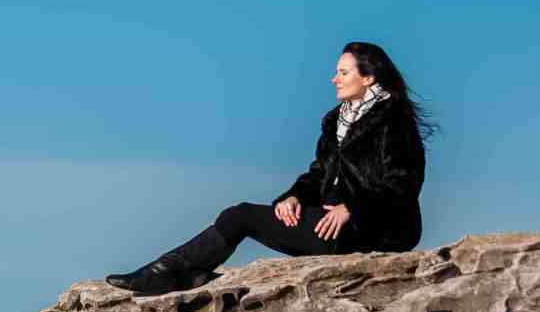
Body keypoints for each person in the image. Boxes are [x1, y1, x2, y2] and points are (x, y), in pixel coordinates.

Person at [105, 41, 436, 297]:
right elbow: (319, 174)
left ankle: (166, 272)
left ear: (368, 77)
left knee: (240, 216)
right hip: (329, 225)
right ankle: (187, 274)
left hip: (376, 230)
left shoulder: (394, 119)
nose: (334, 79)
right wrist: (292, 197)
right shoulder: (338, 120)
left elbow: (405, 184)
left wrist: (352, 208)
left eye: (343, 73)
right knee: (244, 215)